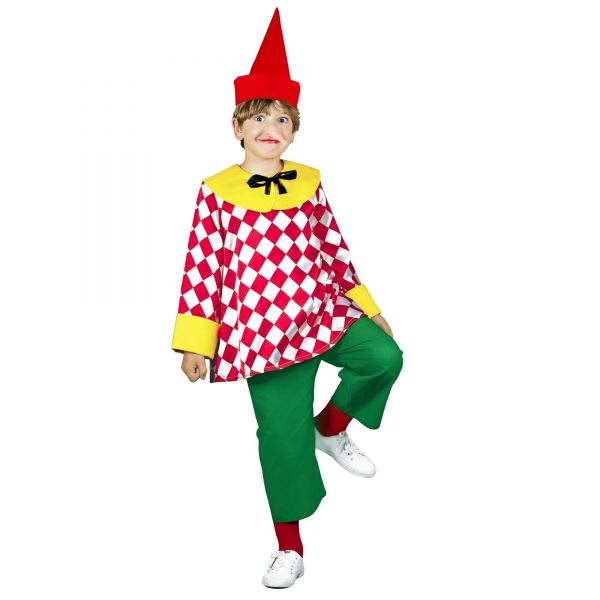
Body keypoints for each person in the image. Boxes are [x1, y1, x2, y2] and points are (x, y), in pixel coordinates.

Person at [171, 6, 404, 588]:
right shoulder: (216, 192)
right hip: (262, 334)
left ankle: (331, 425)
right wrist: (196, 342)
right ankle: (289, 547)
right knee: (280, 438)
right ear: (237, 127)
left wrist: (370, 308)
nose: (270, 127)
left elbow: (334, 246)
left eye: (282, 118)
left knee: (385, 357)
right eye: (258, 117)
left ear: (294, 130)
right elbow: (202, 267)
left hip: (324, 312)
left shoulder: (310, 180)